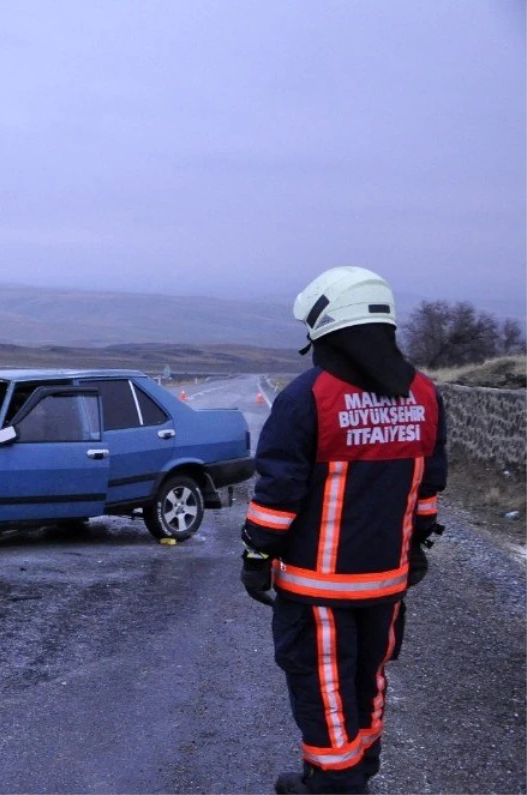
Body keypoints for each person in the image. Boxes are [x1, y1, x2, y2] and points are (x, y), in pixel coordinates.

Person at [240, 266, 447, 795]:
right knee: (368, 678)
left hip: (318, 589)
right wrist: (419, 544)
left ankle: (333, 784)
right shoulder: (424, 395)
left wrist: (256, 556)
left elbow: (278, 492)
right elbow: (430, 485)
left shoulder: (310, 396)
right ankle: (358, 768)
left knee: (323, 684)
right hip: (387, 584)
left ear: (325, 325)